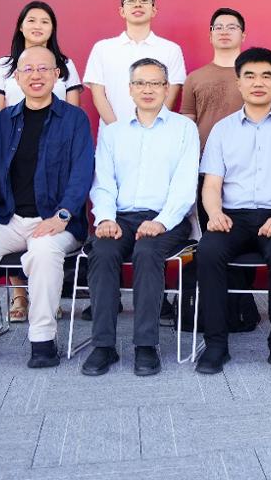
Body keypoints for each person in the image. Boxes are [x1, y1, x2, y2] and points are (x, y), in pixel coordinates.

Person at [0, 46, 94, 369]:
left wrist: (63, 214)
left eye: (44, 69)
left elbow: (82, 172)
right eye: (28, 69)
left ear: (57, 75)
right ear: (16, 77)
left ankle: (42, 339)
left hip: (58, 220)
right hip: (8, 219)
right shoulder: (1, 122)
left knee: (43, 251)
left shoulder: (74, 120)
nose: (36, 75)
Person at [195, 47, 271, 376]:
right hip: (232, 216)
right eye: (249, 76)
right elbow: (211, 184)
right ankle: (215, 344)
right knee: (208, 251)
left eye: (266, 76)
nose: (258, 82)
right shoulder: (223, 129)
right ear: (239, 83)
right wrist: (214, 213)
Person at [80, 58, 200, 377]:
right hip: (121, 217)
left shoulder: (184, 129)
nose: (148, 89)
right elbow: (103, 183)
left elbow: (185, 184)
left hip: (167, 219)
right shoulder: (113, 133)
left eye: (155, 83)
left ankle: (146, 345)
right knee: (103, 252)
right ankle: (103, 345)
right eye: (140, 83)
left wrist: (162, 221)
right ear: (130, 89)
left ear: (166, 88)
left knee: (147, 252)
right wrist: (105, 219)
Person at [0, 0, 82, 322]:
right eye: (32, 20)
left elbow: (72, 113)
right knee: (12, 210)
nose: (38, 26)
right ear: (20, 26)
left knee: (45, 233)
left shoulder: (66, 65)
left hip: (54, 154)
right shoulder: (3, 65)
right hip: (14, 149)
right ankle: (19, 295)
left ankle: (46, 299)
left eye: (45, 21)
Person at [177, 7, 257, 331]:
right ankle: (211, 309)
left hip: (248, 171)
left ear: (243, 34)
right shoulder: (195, 78)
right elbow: (187, 125)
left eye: (232, 26)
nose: (224, 31)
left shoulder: (253, 75)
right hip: (205, 172)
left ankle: (241, 306)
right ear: (210, 34)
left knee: (245, 237)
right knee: (211, 238)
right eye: (218, 26)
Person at [84, 0, 186, 127]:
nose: (138, 4)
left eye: (144, 0)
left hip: (156, 133)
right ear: (122, 11)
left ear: (154, 10)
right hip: (113, 134)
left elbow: (170, 95)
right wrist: (117, 130)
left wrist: (152, 128)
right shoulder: (102, 48)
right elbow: (98, 95)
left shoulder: (171, 49)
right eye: (131, 1)